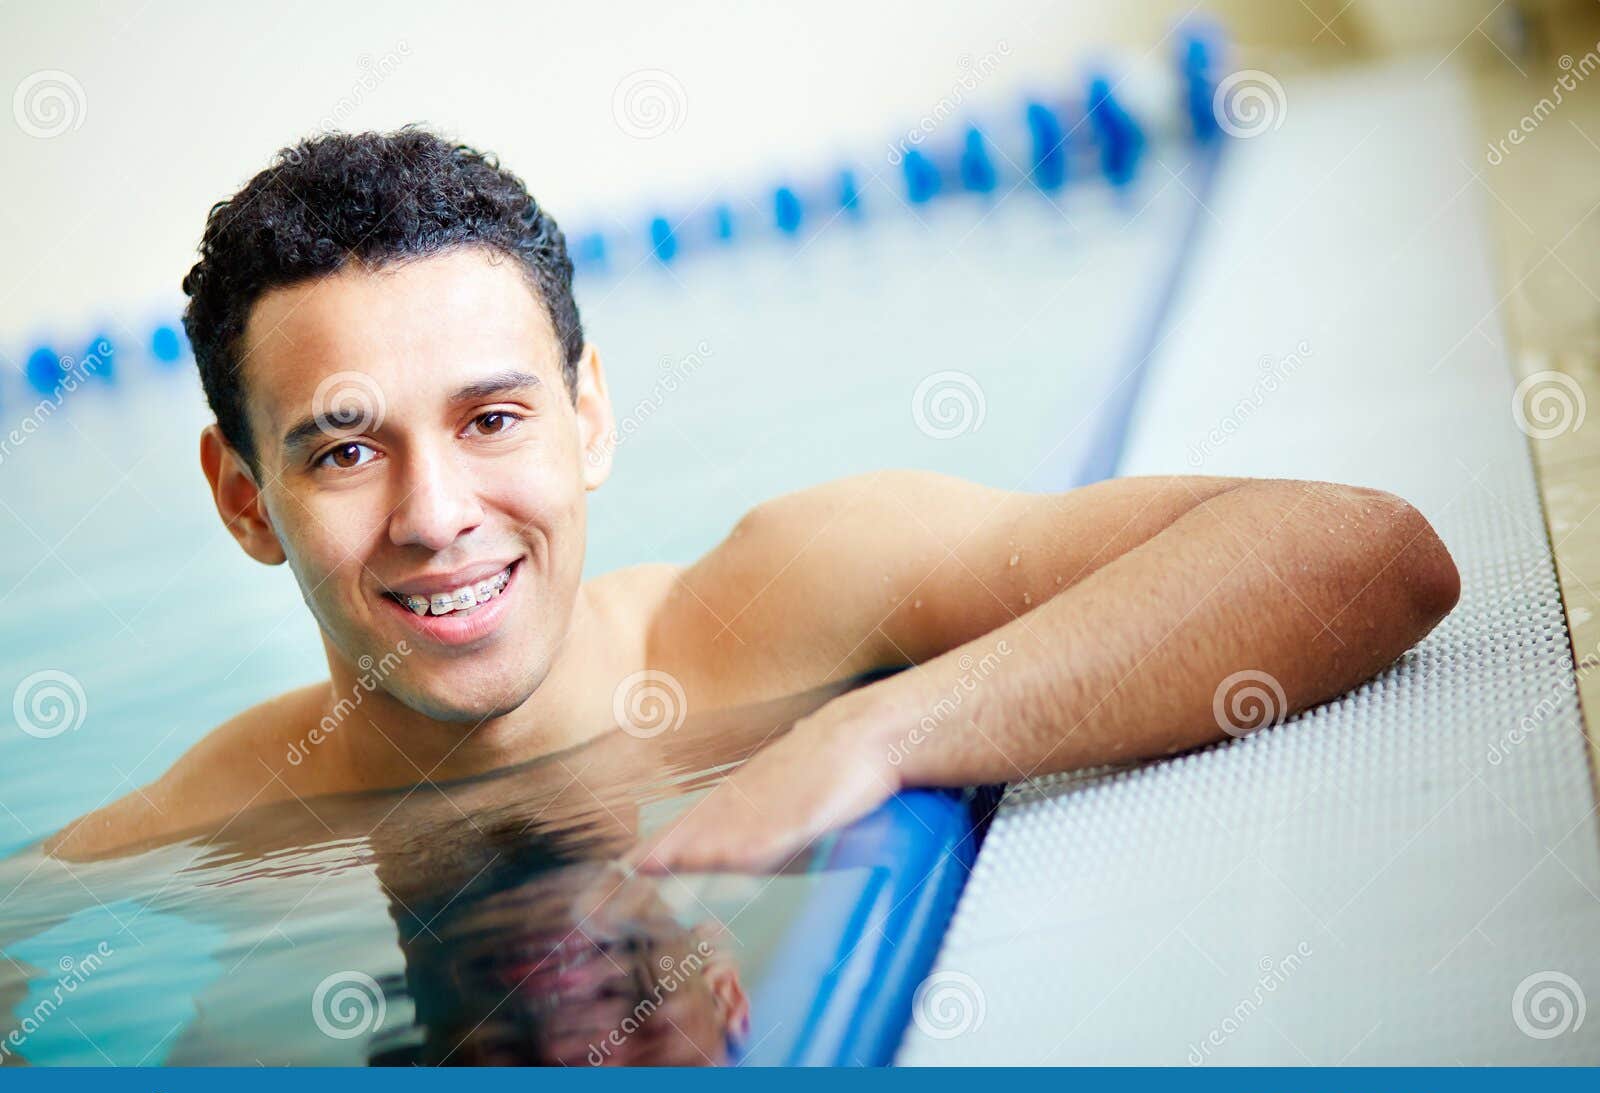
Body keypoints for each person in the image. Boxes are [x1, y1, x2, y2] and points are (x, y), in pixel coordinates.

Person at [45, 126, 1459, 872]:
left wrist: (880, 729)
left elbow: (1363, 553)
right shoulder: (228, 815)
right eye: (345, 449)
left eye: (493, 417)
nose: (436, 511)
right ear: (244, 499)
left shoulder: (788, 602)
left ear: (588, 416)